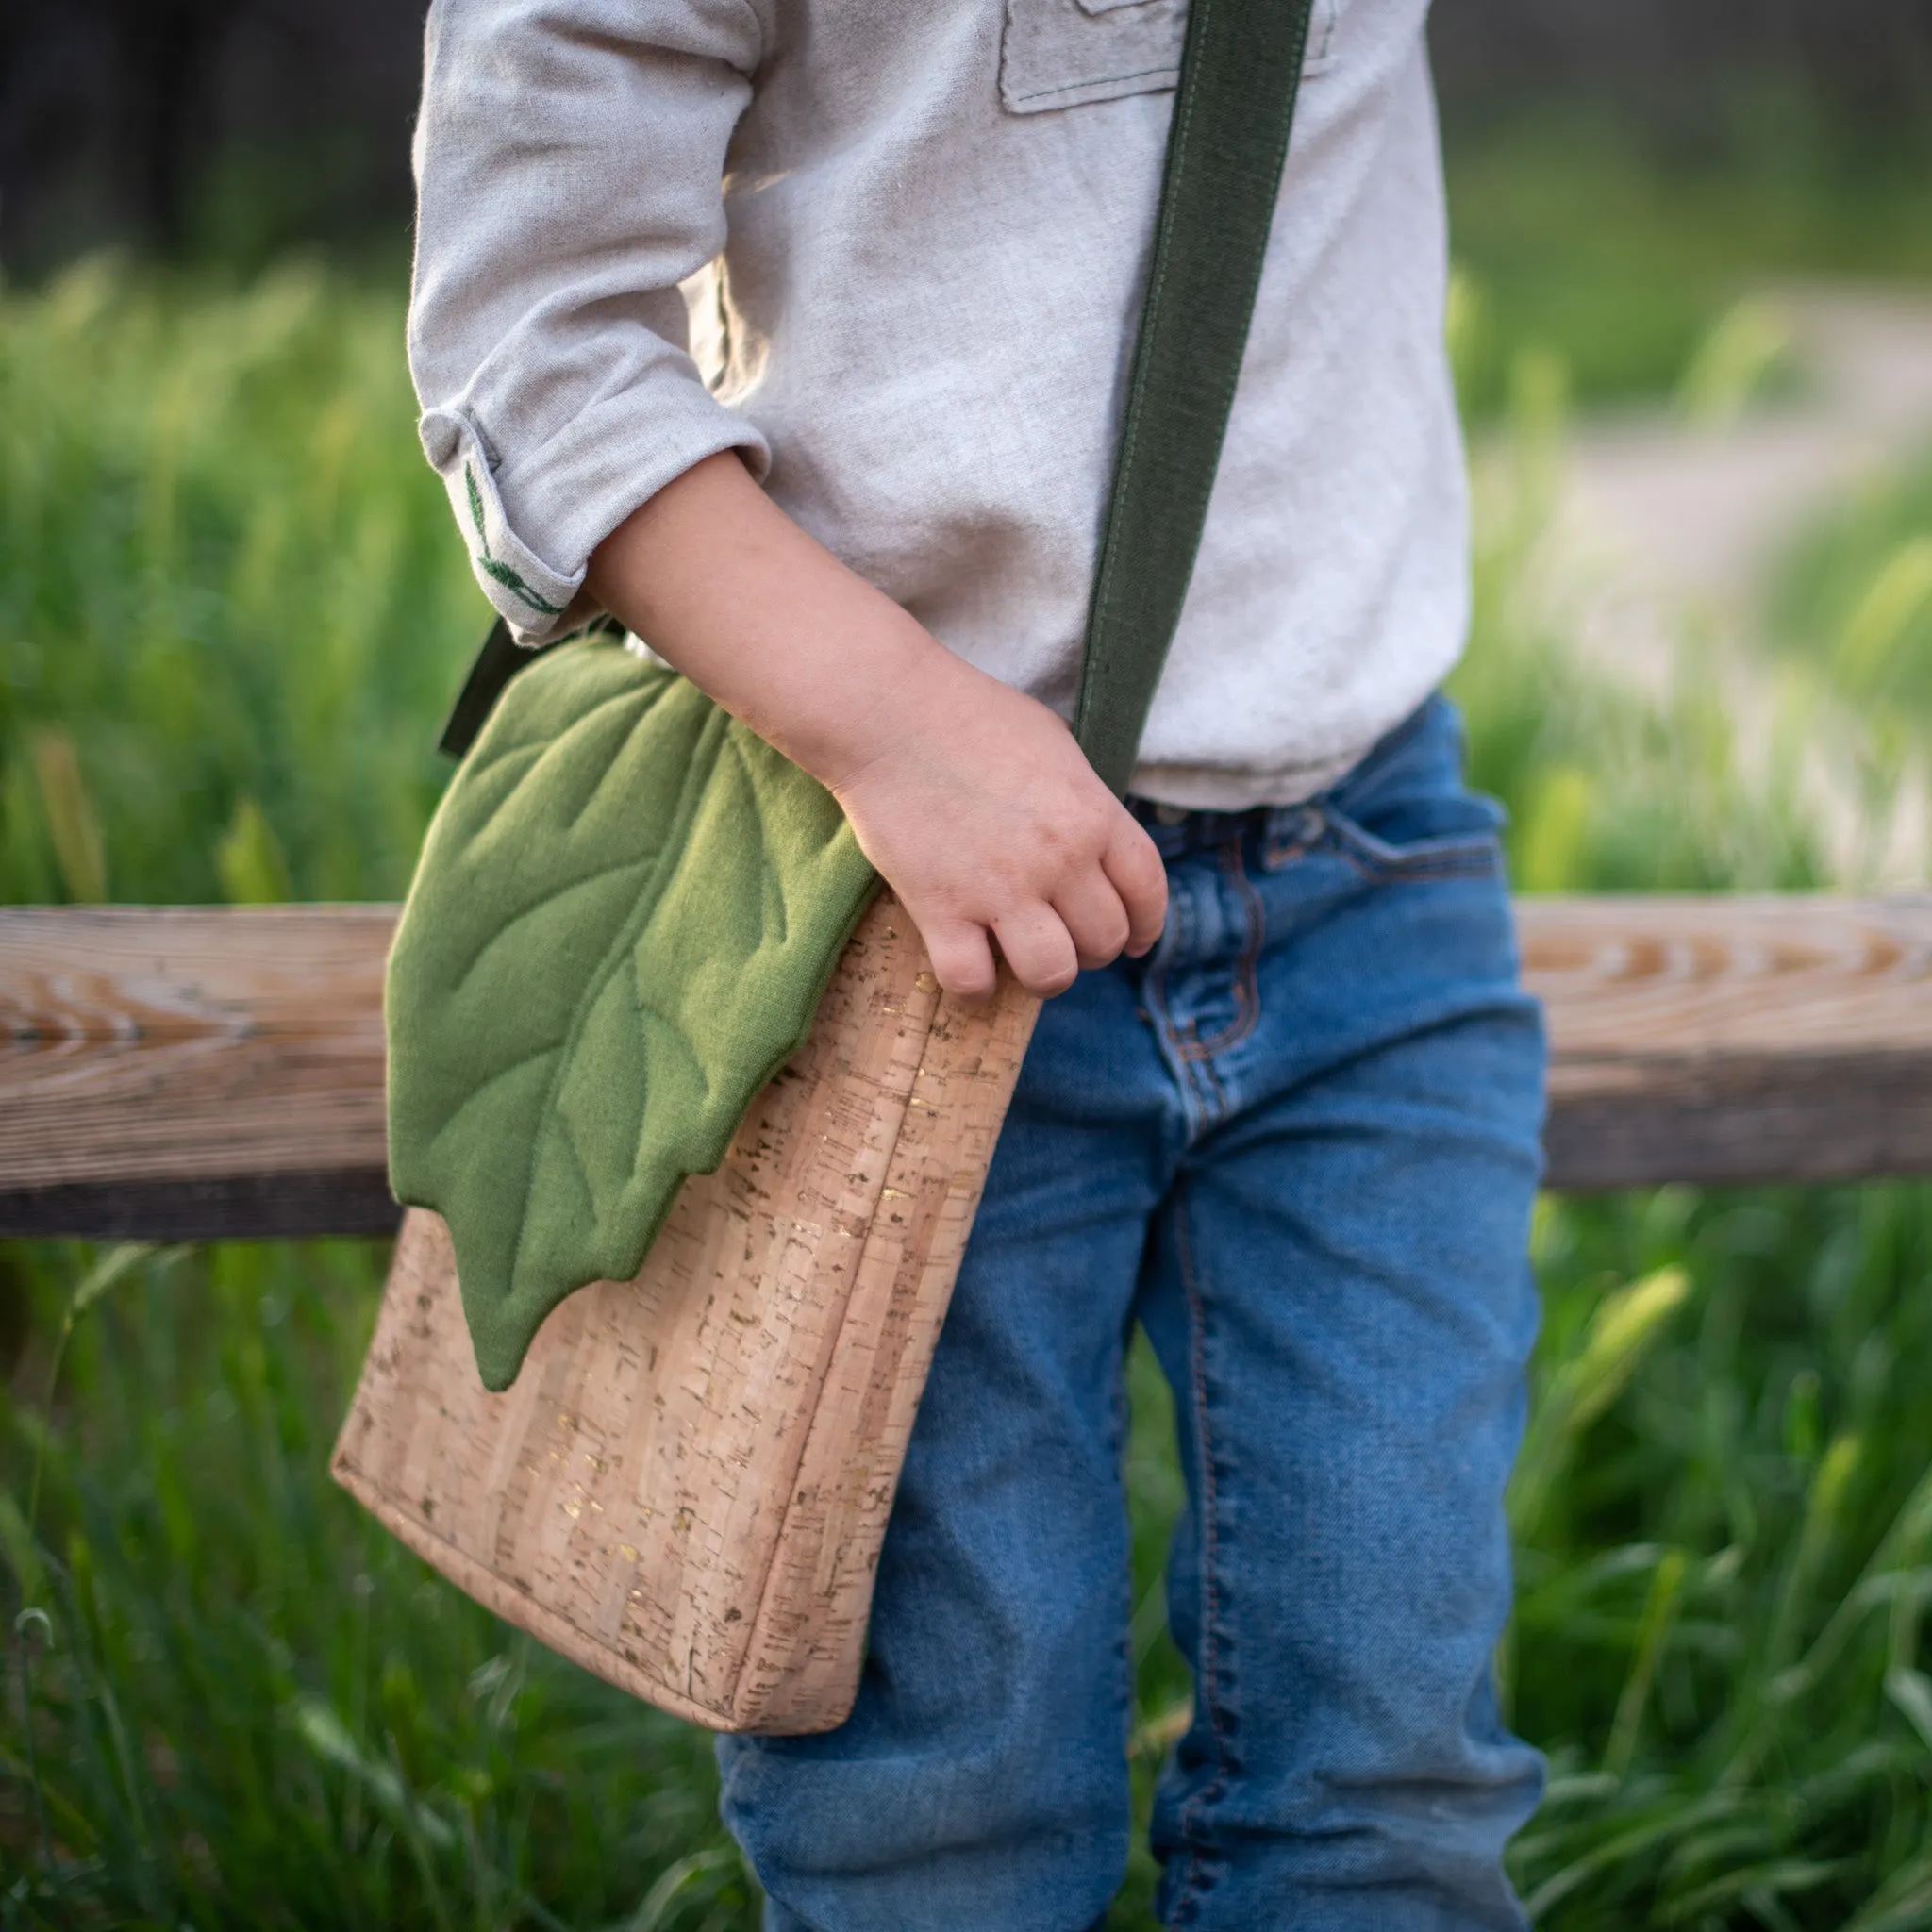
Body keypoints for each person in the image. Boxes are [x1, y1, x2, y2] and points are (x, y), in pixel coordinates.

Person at [408, 0, 1547, 1923]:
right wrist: (890, 732)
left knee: (1392, 1791)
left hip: (1370, 852)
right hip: (896, 901)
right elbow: (531, 339)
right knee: (938, 1810)